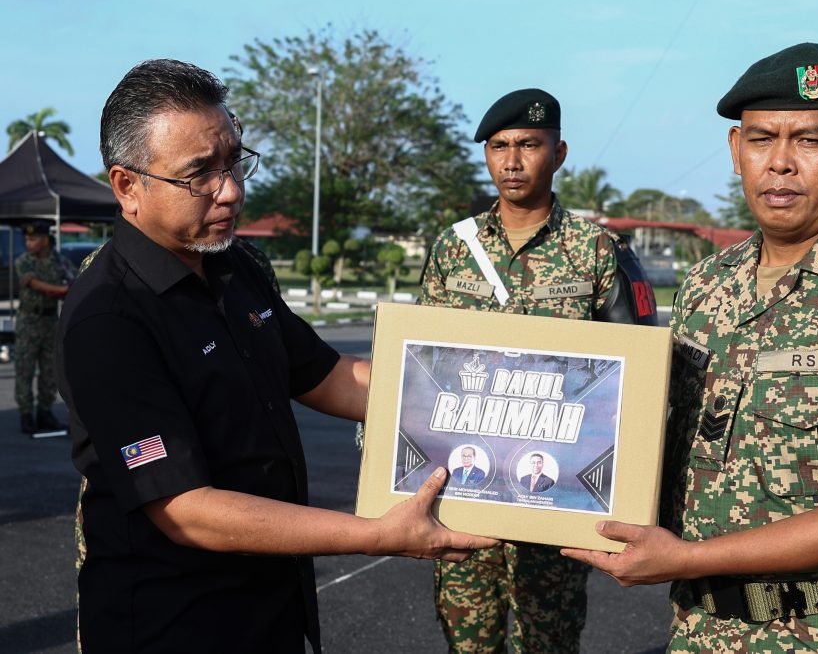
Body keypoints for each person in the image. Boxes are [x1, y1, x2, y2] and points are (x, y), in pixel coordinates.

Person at [57, 59, 495, 654]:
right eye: (199, 176)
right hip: (172, 621)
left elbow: (335, 378)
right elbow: (185, 509)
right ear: (128, 186)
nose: (231, 190)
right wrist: (375, 535)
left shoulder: (234, 270)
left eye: (234, 163)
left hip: (269, 604)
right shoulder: (108, 316)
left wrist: (490, 396)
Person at [563, 42, 818, 653]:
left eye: (810, 140)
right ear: (735, 151)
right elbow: (654, 438)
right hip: (699, 628)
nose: (779, 163)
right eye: (760, 139)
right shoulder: (706, 285)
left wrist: (687, 557)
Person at [420, 88, 656, 652]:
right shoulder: (455, 248)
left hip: (555, 490)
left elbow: (637, 369)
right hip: (464, 490)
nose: (512, 160)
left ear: (559, 152)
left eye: (529, 144)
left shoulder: (597, 250)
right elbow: (422, 359)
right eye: (499, 146)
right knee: (468, 641)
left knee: (548, 642)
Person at [15, 220, 73, 435]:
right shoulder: (24, 261)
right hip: (29, 322)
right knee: (25, 370)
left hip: (50, 322)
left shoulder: (60, 262)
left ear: (45, 239)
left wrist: (71, 286)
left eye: (33, 238)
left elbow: (76, 278)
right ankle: (26, 415)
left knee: (49, 371)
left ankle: (45, 412)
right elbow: (35, 285)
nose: (28, 243)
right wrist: (64, 290)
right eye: (27, 239)